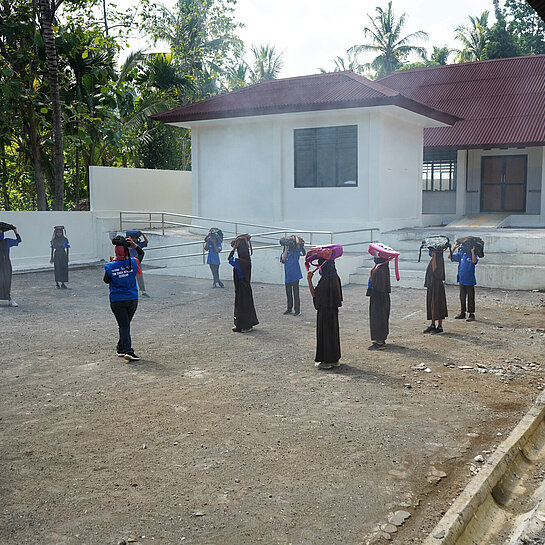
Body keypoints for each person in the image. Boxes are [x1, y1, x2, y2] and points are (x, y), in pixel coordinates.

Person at [104, 236, 144, 361]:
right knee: (125, 325)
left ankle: (121, 348)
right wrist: (133, 244)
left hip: (117, 300)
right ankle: (128, 351)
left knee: (124, 326)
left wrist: (114, 265)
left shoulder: (110, 266)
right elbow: (141, 253)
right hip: (132, 299)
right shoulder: (133, 262)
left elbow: (106, 281)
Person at [307, 259, 343, 369]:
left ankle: (326, 361)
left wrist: (309, 280)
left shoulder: (325, 280)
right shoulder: (335, 277)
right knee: (333, 334)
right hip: (333, 311)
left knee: (325, 335)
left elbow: (315, 295)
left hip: (324, 312)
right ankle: (334, 359)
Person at [228, 234, 259, 332]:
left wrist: (233, 249)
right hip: (245, 286)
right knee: (246, 305)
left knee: (242, 306)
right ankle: (242, 325)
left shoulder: (240, 262)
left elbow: (229, 259)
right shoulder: (247, 261)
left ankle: (245, 325)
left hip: (242, 286)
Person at [366, 256, 391, 349]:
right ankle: (381, 339)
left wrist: (370, 276)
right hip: (382, 298)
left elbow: (374, 284)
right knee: (382, 318)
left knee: (378, 318)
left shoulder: (379, 270)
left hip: (378, 298)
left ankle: (379, 341)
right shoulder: (383, 267)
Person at [450, 242, 478, 321]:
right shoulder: (461, 255)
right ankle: (463, 312)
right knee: (462, 297)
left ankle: (471, 314)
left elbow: (474, 261)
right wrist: (454, 248)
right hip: (461, 280)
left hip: (469, 280)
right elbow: (450, 257)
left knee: (470, 297)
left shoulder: (472, 255)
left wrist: (472, 252)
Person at [423, 249, 448, 334]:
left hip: (437, 286)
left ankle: (440, 325)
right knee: (432, 304)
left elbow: (436, 272)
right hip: (431, 285)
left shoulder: (439, 259)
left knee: (438, 304)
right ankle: (432, 324)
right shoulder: (433, 259)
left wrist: (434, 258)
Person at [280, 235, 305, 315]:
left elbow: (297, 244)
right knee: (288, 293)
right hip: (288, 277)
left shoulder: (296, 253)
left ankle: (297, 310)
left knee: (296, 293)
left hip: (295, 276)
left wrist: (295, 236)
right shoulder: (285, 253)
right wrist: (286, 250)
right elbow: (283, 259)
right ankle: (289, 308)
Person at [0, 222, 21, 307]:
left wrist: (15, 231)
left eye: (0, 231)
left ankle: (9, 299)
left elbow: (18, 241)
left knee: (6, 281)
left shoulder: (7, 241)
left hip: (6, 264)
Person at [126, 230, 149, 297]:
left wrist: (143, 234)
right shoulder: (127, 243)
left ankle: (143, 291)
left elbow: (146, 242)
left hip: (137, 262)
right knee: (129, 277)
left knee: (139, 277)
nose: (134, 238)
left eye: (135, 237)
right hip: (129, 262)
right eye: (132, 237)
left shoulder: (137, 244)